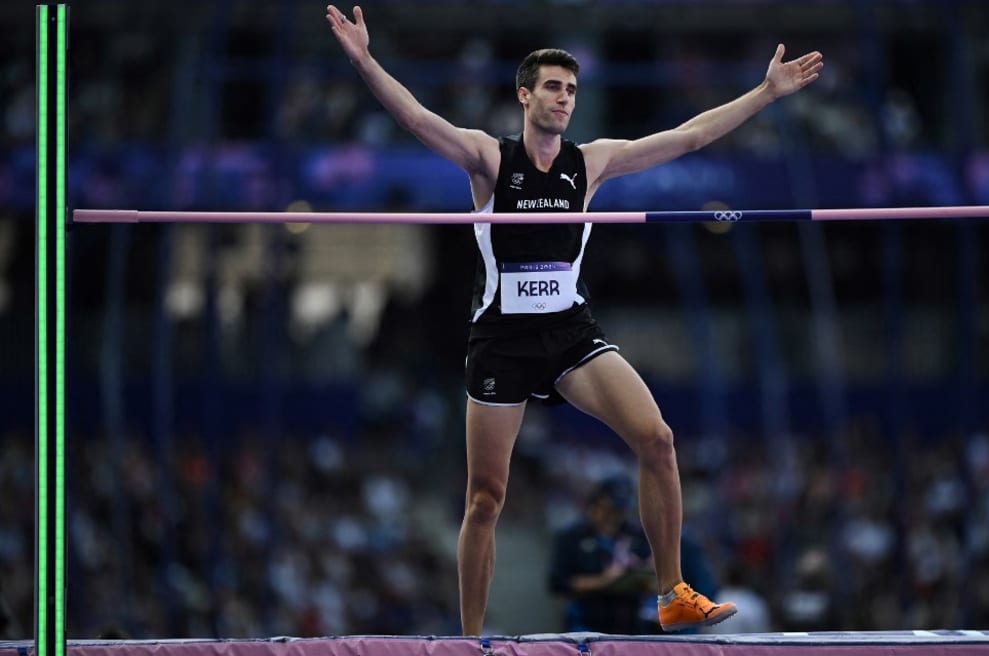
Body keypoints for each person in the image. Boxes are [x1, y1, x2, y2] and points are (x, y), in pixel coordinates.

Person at [325, 4, 822, 635]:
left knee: (659, 440)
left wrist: (764, 93)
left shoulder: (591, 162)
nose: (565, 99)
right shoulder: (487, 158)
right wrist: (365, 60)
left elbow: (689, 137)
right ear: (525, 94)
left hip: (568, 332)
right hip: (502, 339)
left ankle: (671, 592)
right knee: (485, 500)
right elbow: (417, 118)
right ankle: (470, 640)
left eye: (573, 90)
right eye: (554, 87)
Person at [548, 475, 656, 634]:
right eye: (610, 509)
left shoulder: (636, 535)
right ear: (596, 503)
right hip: (586, 621)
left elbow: (651, 574)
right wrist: (605, 580)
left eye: (620, 510)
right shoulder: (572, 536)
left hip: (630, 622)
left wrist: (643, 578)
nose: (615, 516)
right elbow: (558, 583)